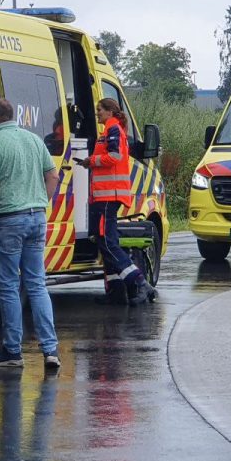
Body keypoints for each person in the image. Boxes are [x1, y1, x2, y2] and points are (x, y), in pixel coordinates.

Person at [0, 96, 60, 369]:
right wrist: (41, 202)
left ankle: (12, 351)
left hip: (7, 220)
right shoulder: (34, 140)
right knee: (37, 284)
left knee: (9, 287)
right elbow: (53, 176)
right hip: (36, 218)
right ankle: (50, 350)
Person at [77, 98, 157, 306]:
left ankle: (139, 281)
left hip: (108, 196)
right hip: (103, 196)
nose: (97, 114)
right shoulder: (110, 130)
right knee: (104, 244)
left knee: (109, 243)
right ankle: (115, 291)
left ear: (111, 112)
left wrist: (91, 161)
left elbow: (114, 156)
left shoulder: (113, 130)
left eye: (100, 110)